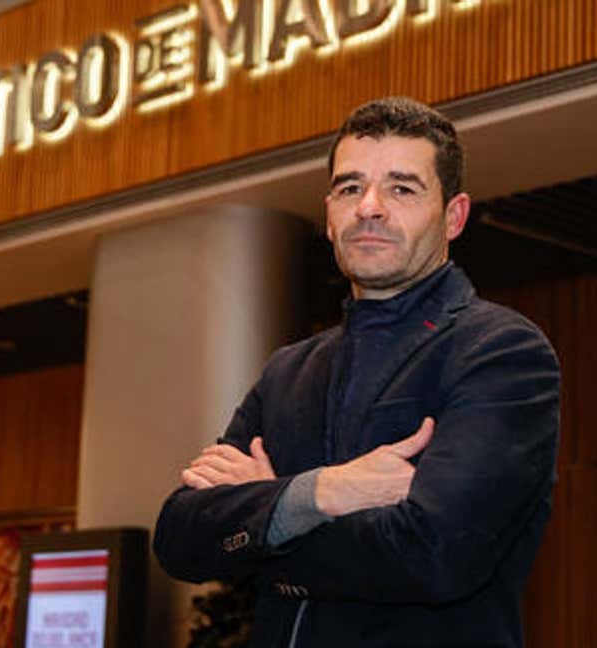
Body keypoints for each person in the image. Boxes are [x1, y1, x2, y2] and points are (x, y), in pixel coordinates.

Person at [153, 97, 560, 647]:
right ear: (329, 216)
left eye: (402, 188)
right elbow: (181, 537)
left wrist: (264, 522)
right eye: (349, 188)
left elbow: (433, 554)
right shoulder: (288, 371)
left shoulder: (500, 352)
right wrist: (323, 491)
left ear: (454, 215)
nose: (369, 206)